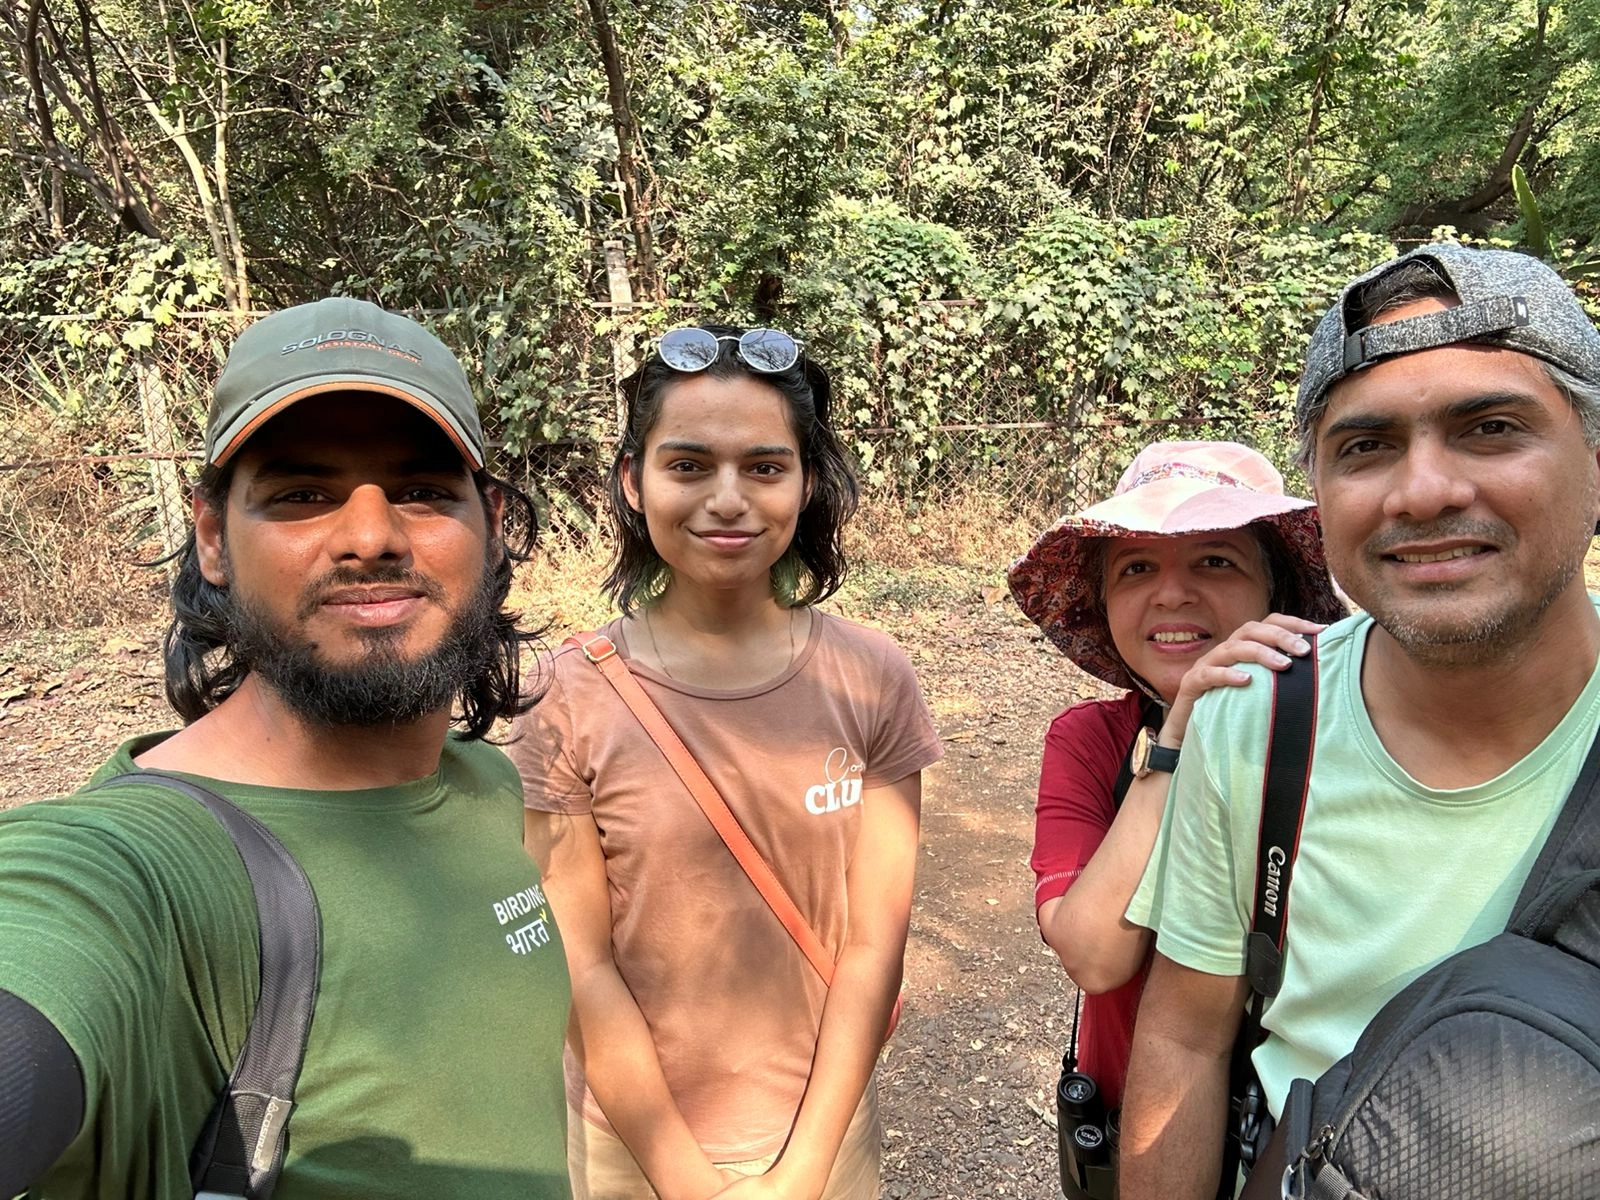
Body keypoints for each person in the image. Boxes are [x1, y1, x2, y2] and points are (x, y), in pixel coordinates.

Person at [0, 298, 573, 1199]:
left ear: (493, 526)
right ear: (213, 538)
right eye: (303, 496)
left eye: (422, 492)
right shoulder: (132, 870)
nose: (371, 538)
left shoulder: (484, 785)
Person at [1118, 243, 1600, 1199]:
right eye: (1366, 447)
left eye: (1491, 428)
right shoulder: (1258, 717)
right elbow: (1184, 1036)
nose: (1423, 492)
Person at [512, 324, 943, 1200]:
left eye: (764, 467)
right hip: (629, 1152)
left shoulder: (873, 677)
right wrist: (686, 1182)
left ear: (806, 483)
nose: (727, 499)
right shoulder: (564, 696)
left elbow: (873, 945)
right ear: (633, 482)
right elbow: (581, 966)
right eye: (688, 465)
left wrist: (804, 1172)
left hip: (824, 1141)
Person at [1007, 440, 1345, 1116]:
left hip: (1305, 1125)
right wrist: (1175, 740)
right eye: (1135, 568)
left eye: (1215, 560)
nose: (1170, 593)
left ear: (1274, 590)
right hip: (1135, 1116)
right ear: (1105, 603)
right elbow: (1094, 956)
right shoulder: (1090, 741)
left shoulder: (1344, 728)